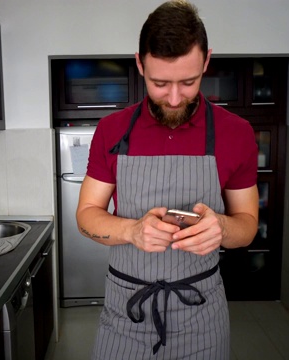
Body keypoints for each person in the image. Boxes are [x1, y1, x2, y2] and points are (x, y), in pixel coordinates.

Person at [75, 0, 259, 359]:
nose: (174, 98)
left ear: (206, 62)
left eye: (188, 82)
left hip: (201, 316)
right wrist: (131, 232)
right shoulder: (112, 130)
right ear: (140, 64)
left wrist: (221, 227)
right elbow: (86, 215)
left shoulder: (236, 133)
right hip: (126, 311)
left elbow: (248, 226)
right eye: (160, 83)